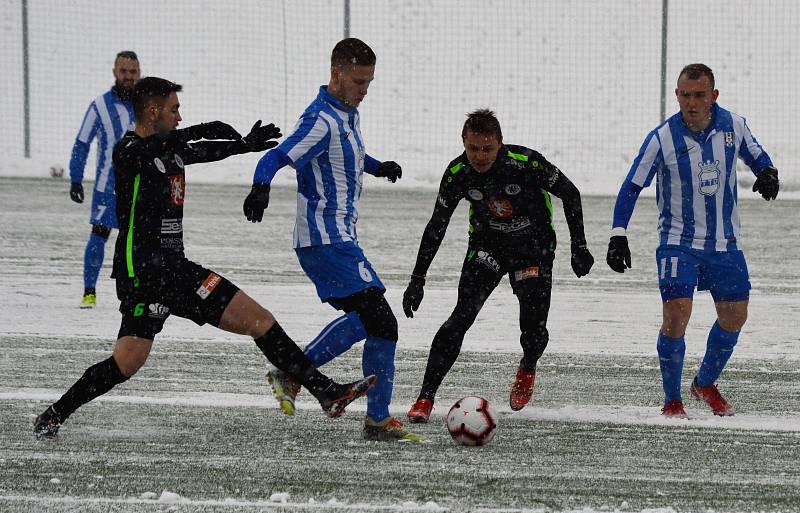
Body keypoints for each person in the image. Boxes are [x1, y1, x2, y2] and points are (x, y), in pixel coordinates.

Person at [33, 77, 375, 439]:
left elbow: (200, 151)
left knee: (243, 325)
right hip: (146, 274)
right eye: (174, 109)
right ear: (153, 111)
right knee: (142, 357)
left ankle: (326, 393)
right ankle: (325, 391)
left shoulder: (169, 150)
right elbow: (160, 146)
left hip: (168, 272)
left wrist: (242, 145)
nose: (179, 117)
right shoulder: (128, 150)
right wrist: (200, 129)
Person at [243, 38, 422, 442]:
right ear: (336, 74)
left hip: (339, 237)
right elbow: (276, 156)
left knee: (378, 324)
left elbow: (350, 155)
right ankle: (293, 373)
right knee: (379, 319)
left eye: (369, 82)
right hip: (324, 239)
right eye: (359, 81)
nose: (364, 89)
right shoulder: (319, 119)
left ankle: (374, 418)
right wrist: (260, 187)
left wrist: (378, 167)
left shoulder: (346, 113)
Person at [606, 63, 780, 418]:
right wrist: (618, 233)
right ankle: (672, 400)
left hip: (724, 242)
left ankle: (704, 383)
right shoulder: (662, 138)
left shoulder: (734, 125)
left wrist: (768, 171)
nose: (692, 102)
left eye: (699, 95)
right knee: (676, 312)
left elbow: (757, 154)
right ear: (677, 96)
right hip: (677, 242)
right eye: (685, 95)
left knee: (735, 316)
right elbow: (631, 185)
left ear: (713, 96)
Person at [403, 109, 595, 423]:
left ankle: (528, 365)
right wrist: (417, 278)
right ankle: (425, 397)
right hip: (487, 247)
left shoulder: (526, 163)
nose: (480, 156)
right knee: (461, 316)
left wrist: (580, 246)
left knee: (532, 326)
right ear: (463, 143)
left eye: (487, 149)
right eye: (473, 148)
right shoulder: (457, 173)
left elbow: (570, 194)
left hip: (532, 248)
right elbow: (437, 225)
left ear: (500, 144)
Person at [69, 51, 141, 309]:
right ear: (115, 72)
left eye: (133, 72)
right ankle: (89, 292)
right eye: (124, 71)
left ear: (139, 73)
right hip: (107, 187)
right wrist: (76, 178)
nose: (128, 77)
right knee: (99, 234)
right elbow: (82, 143)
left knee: (140, 241)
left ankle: (138, 294)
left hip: (142, 187)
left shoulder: (149, 104)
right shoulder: (99, 106)